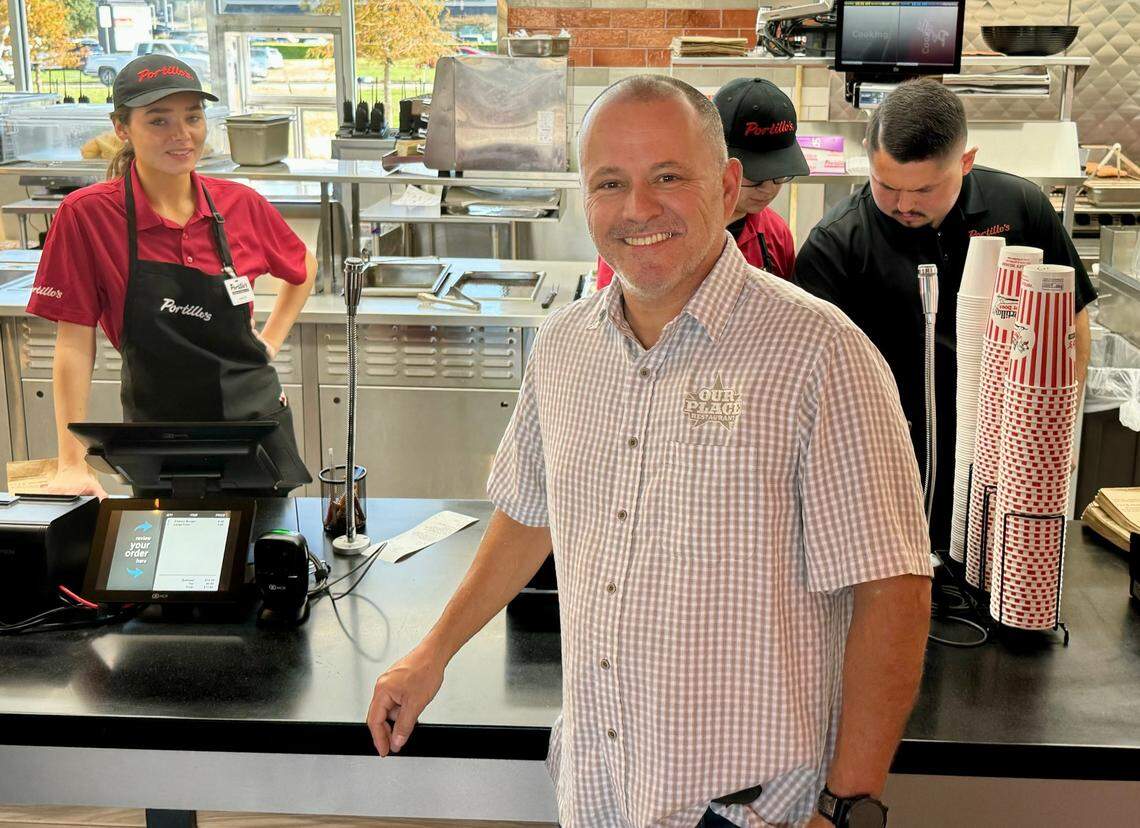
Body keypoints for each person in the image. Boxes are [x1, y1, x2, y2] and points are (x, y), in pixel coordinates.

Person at [367, 75, 932, 828]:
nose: (638, 209)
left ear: (729, 186)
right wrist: (431, 651)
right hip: (601, 790)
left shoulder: (821, 355)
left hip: (752, 809)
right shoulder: (565, 349)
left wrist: (846, 805)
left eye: (669, 177)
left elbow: (892, 593)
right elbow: (533, 514)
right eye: (611, 183)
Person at [794, 78, 1096, 551]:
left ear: (966, 162)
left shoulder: (1020, 207)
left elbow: (1069, 320)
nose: (904, 205)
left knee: (1002, 580)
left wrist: (1059, 428)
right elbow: (813, 377)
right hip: (886, 459)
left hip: (1005, 448)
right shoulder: (837, 244)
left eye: (925, 190)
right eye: (885, 186)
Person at [27, 55, 316, 498]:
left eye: (193, 117)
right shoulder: (88, 215)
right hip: (158, 438)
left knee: (266, 560)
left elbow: (303, 266)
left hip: (254, 430)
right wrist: (71, 461)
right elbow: (73, 342)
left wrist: (272, 339)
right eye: (158, 121)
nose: (182, 135)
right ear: (122, 128)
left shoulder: (240, 203)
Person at [595, 77, 807, 288]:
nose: (768, 188)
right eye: (755, 177)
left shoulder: (776, 233)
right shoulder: (646, 231)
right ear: (723, 169)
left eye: (780, 175)